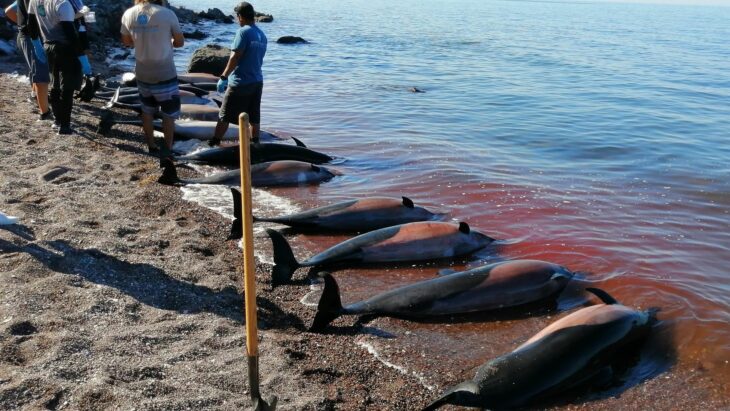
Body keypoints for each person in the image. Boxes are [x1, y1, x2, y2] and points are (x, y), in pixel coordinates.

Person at [121, 0, 184, 160]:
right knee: (169, 113)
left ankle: (151, 145)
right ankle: (167, 148)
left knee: (147, 111)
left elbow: (127, 42)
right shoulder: (167, 13)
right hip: (165, 73)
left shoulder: (129, 14)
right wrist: (167, 41)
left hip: (143, 72)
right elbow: (180, 42)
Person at [209, 2, 267, 147]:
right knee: (254, 116)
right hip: (257, 81)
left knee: (224, 115)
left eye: (237, 16)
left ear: (240, 16)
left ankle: (214, 143)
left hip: (240, 82)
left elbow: (235, 57)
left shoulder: (243, 32)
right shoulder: (262, 35)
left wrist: (223, 77)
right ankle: (255, 144)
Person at [26, 0, 83, 135]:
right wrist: (81, 55)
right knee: (67, 87)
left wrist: (37, 45)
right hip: (65, 48)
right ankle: (65, 126)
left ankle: (57, 120)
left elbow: (31, 25)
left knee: (54, 84)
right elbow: (69, 32)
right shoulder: (63, 3)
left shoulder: (34, 1)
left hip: (47, 47)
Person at [4, 0, 52, 121]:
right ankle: (45, 113)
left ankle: (35, 96)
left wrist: (21, 24)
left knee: (36, 69)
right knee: (41, 74)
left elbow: (9, 11)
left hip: (27, 36)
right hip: (32, 38)